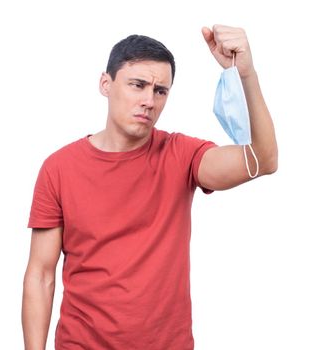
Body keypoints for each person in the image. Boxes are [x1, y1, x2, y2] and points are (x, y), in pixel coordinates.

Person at [22, 24, 278, 350]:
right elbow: (41, 275)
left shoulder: (181, 154)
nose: (149, 100)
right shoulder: (58, 168)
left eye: (160, 91)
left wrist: (247, 75)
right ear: (106, 84)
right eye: (137, 85)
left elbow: (263, 160)